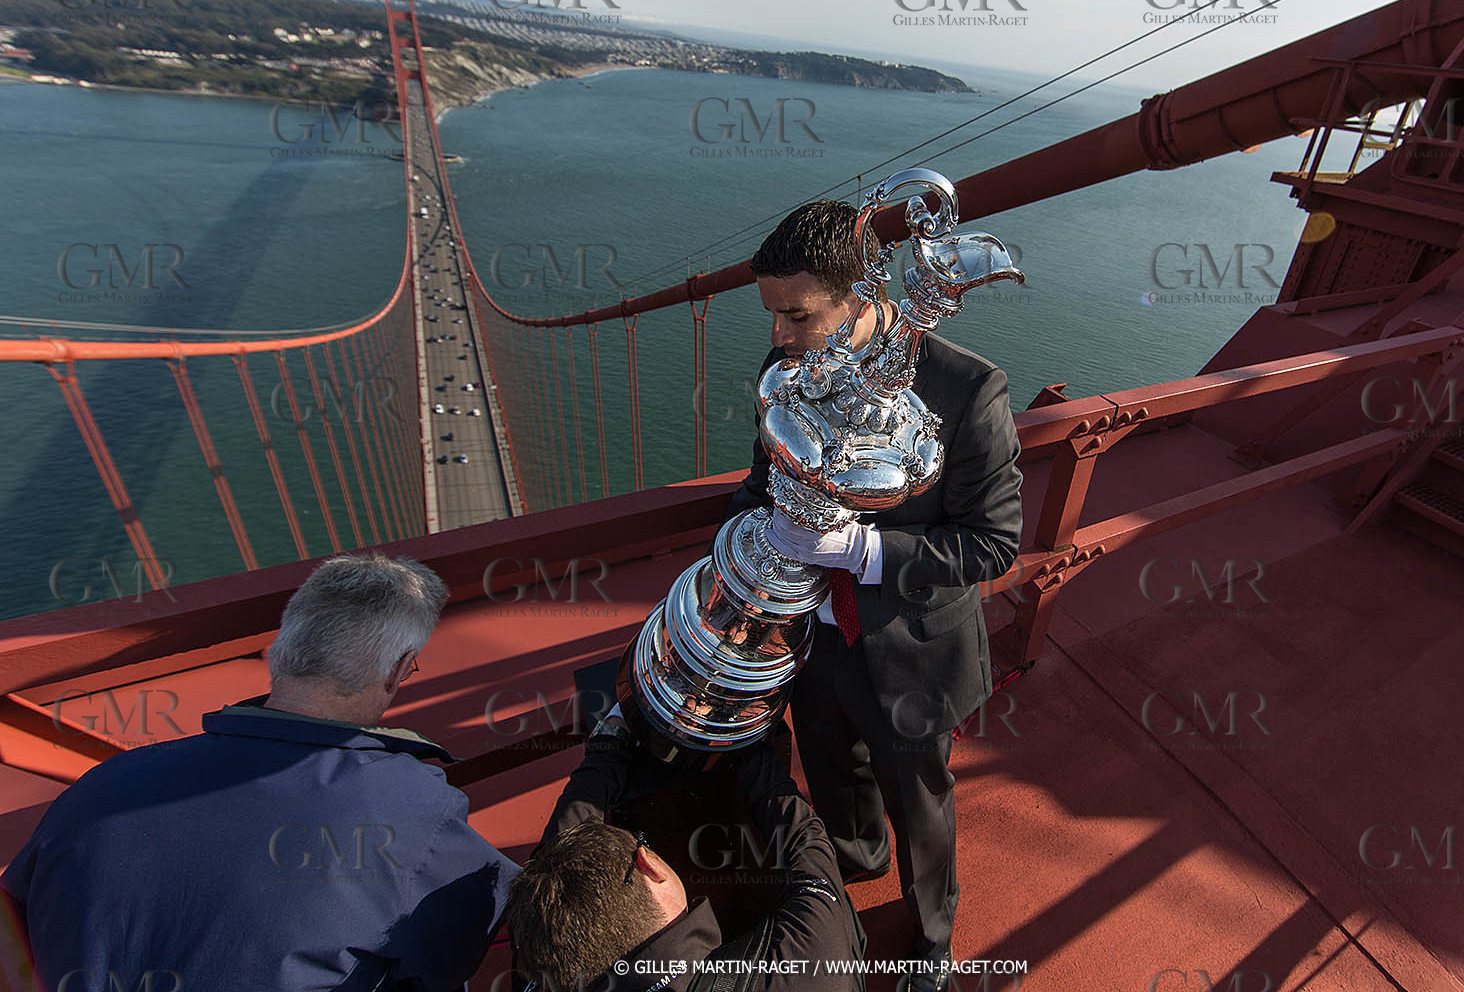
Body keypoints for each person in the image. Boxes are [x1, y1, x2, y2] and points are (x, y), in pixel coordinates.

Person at [723, 200, 1024, 992]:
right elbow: (760, 484)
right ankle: (848, 888)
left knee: (921, 809)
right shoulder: (782, 366)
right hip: (810, 639)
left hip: (912, 654)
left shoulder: (968, 389)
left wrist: (860, 549)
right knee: (832, 782)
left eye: (798, 314)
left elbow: (993, 543)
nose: (780, 336)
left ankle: (929, 942)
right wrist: (746, 542)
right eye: (773, 316)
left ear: (860, 294)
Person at [2, 553, 520, 991]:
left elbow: (13, 915)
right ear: (399, 668)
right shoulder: (410, 809)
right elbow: (489, 934)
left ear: (282, 650)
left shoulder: (103, 785)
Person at [506, 710, 865, 991]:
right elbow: (806, 840)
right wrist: (742, 740)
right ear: (649, 866)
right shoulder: (809, 954)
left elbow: (544, 879)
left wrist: (606, 752)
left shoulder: (538, 965)